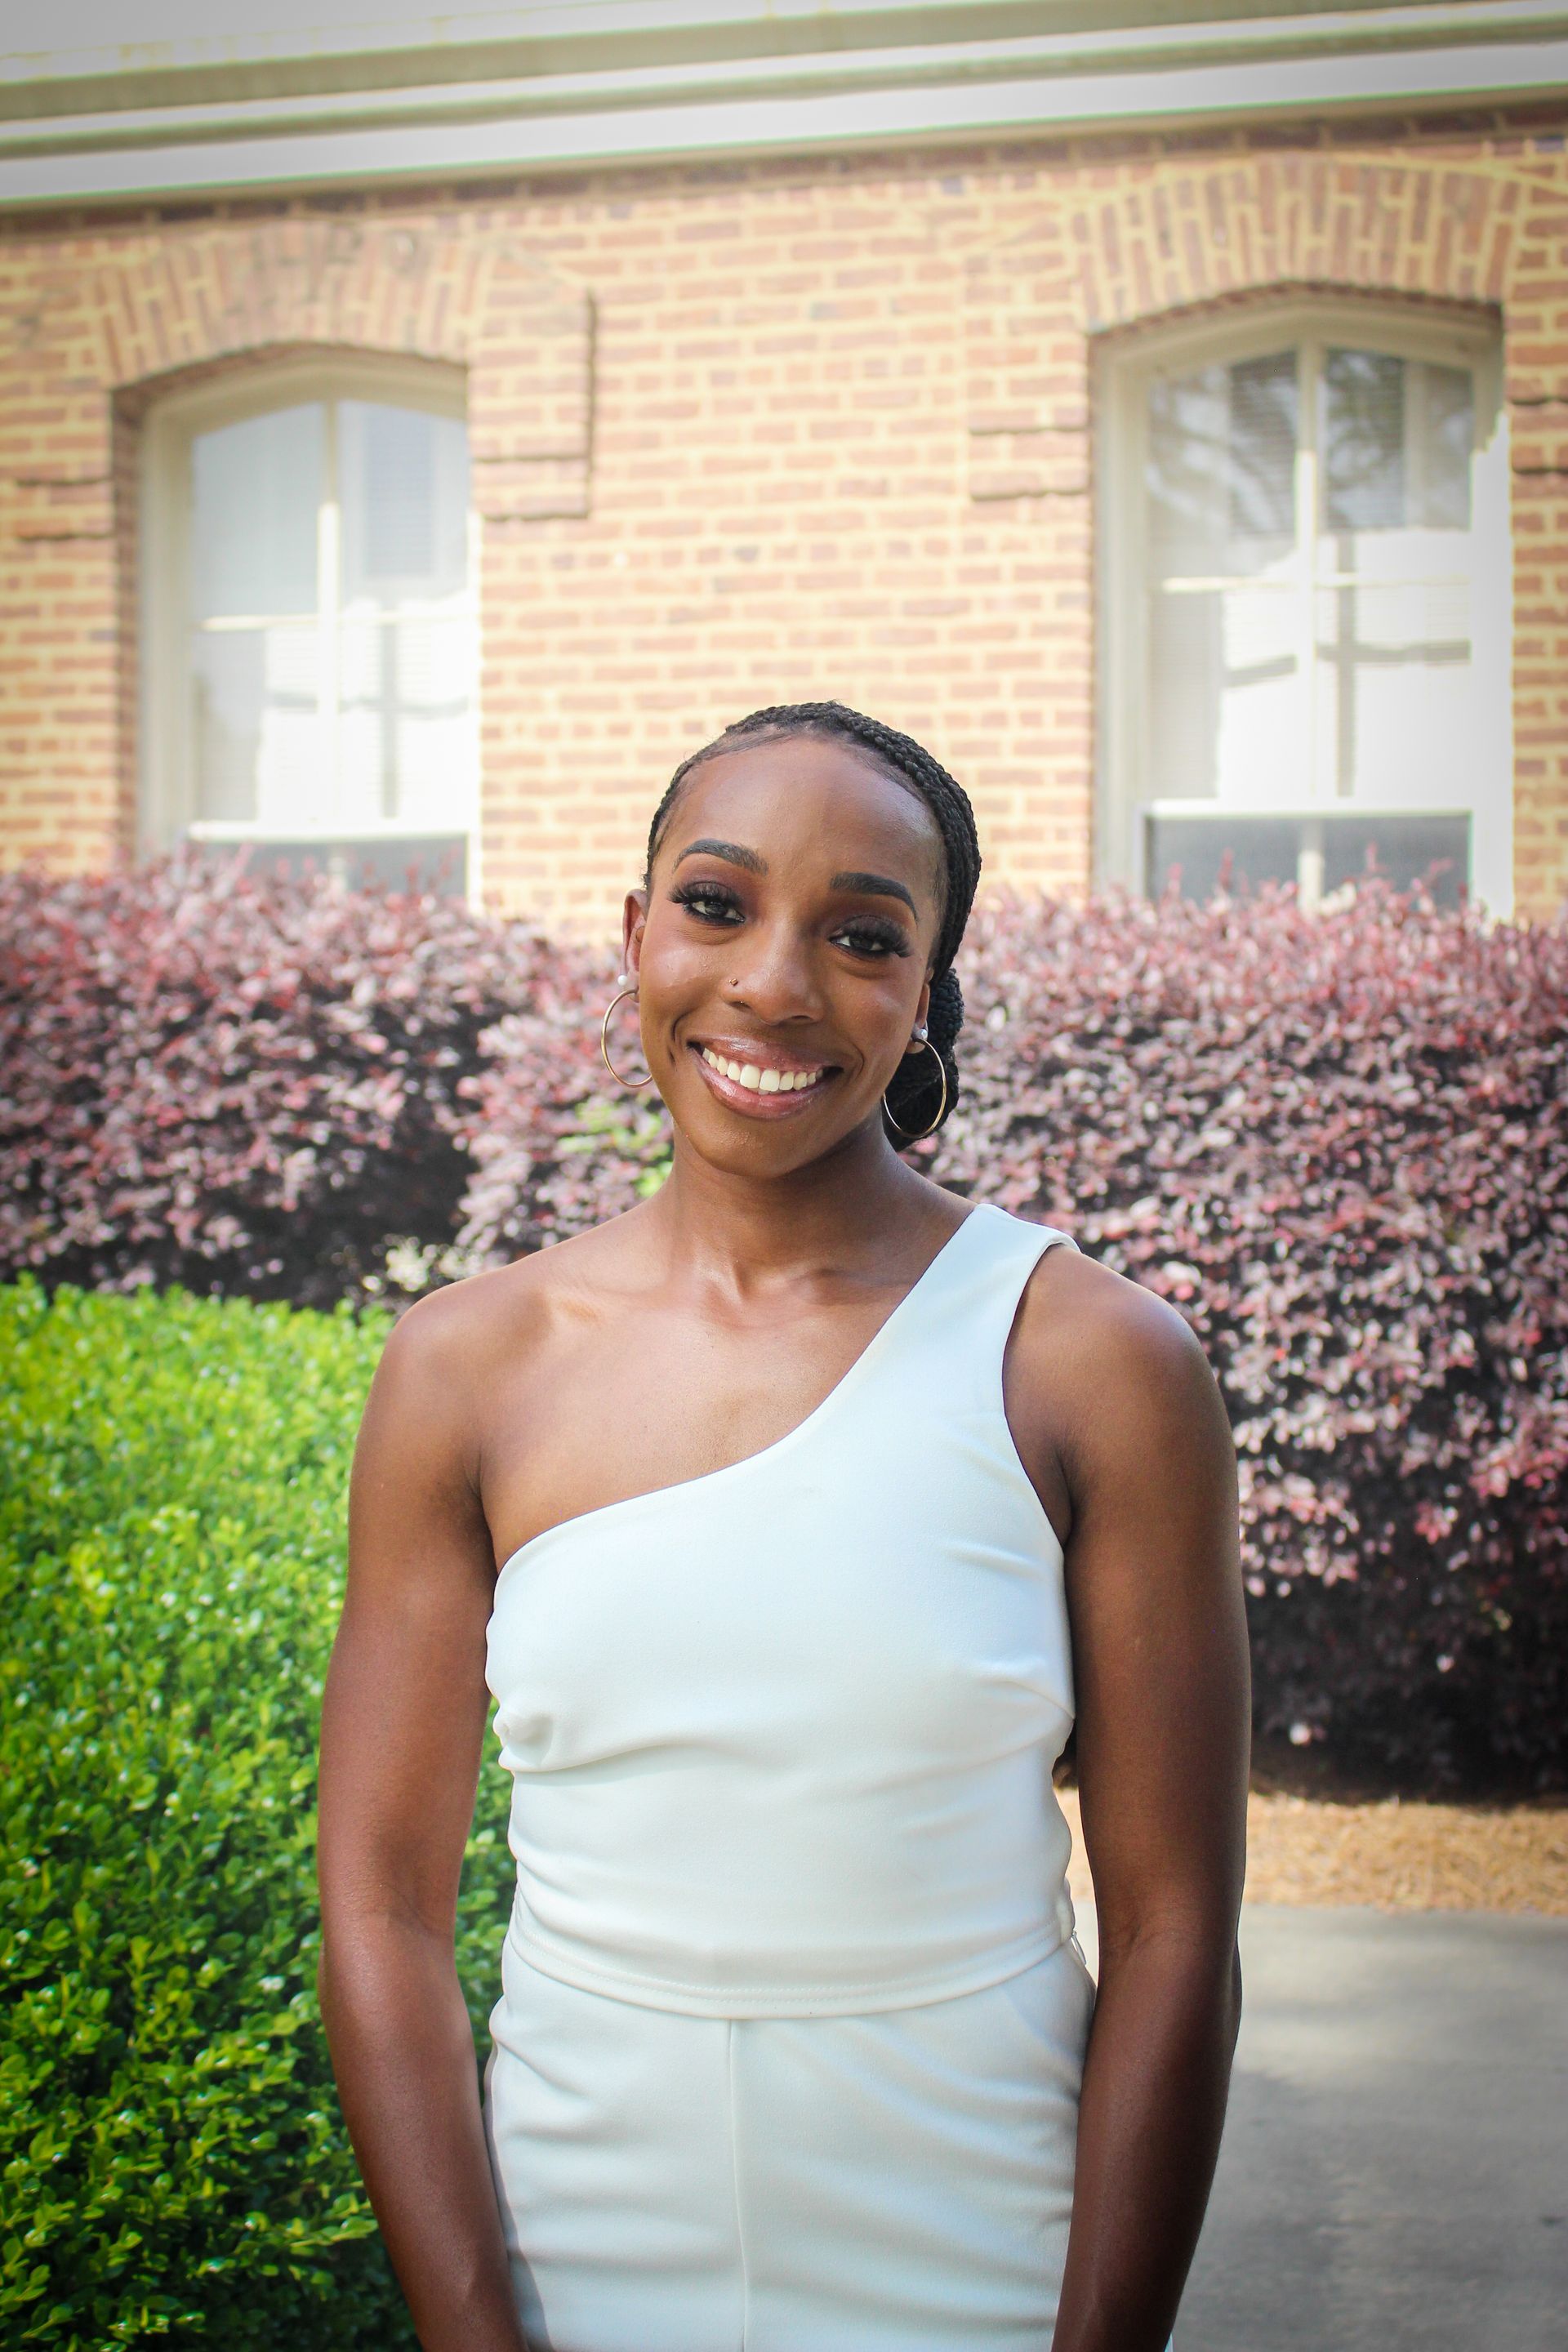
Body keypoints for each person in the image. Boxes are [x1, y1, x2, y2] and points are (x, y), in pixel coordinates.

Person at [316, 701, 1250, 2352]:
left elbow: (1177, 1930)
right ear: (635, 933)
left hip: (981, 2245)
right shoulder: (468, 1369)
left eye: (863, 936)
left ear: (928, 993)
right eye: (716, 903)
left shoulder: (1091, 1364)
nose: (773, 983)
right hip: (576, 2245)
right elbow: (382, 1908)